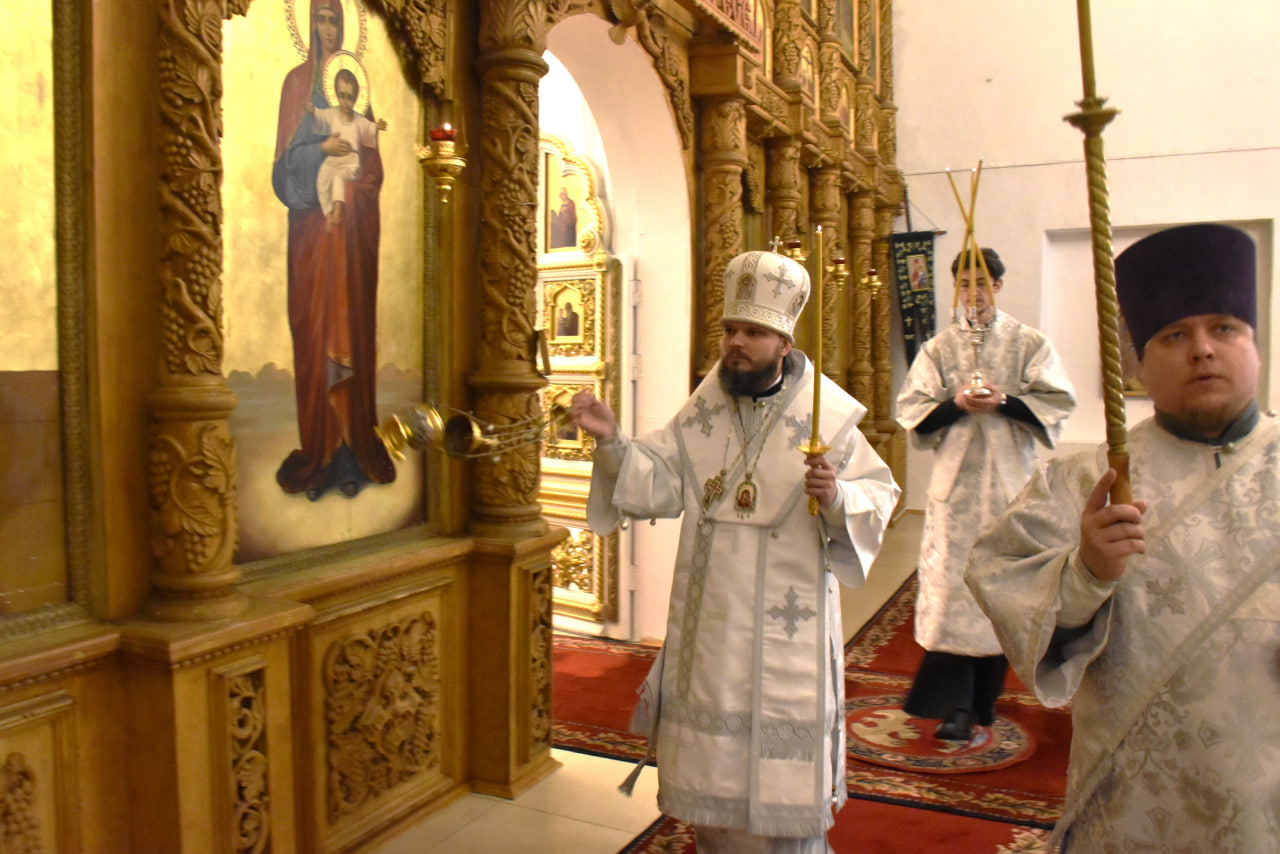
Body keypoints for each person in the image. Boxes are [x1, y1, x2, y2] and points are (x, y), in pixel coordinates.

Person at [570, 249, 900, 853]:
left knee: (782, 808)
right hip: (714, 632)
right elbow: (659, 480)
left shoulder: (825, 416)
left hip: (788, 633)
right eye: (730, 330)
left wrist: (836, 496)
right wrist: (612, 439)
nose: (736, 343)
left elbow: (879, 496)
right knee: (713, 790)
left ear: (783, 342)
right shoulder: (705, 412)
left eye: (753, 332)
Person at [966, 223, 1279, 851]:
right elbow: (996, 573)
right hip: (1133, 797)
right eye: (1174, 335)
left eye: (1223, 329)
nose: (1202, 350)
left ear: (1256, 344)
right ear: (1135, 362)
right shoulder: (1088, 479)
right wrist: (1084, 573)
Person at [894, 247, 1076, 741]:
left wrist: (1005, 401)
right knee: (953, 594)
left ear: (997, 285)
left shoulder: (1027, 343)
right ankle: (954, 704)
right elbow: (913, 411)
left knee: (997, 591)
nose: (972, 292)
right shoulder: (938, 349)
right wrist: (956, 404)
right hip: (955, 496)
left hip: (1008, 489)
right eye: (964, 283)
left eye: (981, 282)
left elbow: (1058, 401)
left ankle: (983, 700)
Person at [272, 0, 395, 500]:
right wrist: (320, 152)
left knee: (353, 333)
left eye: (333, 19)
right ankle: (320, 452)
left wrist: (352, 189)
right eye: (320, 18)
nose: (326, 28)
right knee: (314, 329)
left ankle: (353, 449)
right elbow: (282, 169)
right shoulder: (297, 86)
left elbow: (373, 169)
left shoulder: (358, 94)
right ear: (308, 24)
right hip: (311, 234)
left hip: (352, 236)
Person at [306, 66, 387, 232]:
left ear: (355, 98)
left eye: (350, 97)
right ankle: (328, 213)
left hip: (351, 161)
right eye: (342, 96)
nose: (346, 102)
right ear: (336, 94)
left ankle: (337, 209)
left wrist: (377, 127)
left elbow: (368, 128)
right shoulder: (332, 114)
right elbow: (321, 117)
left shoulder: (358, 119)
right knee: (322, 178)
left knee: (338, 176)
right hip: (333, 159)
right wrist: (313, 111)